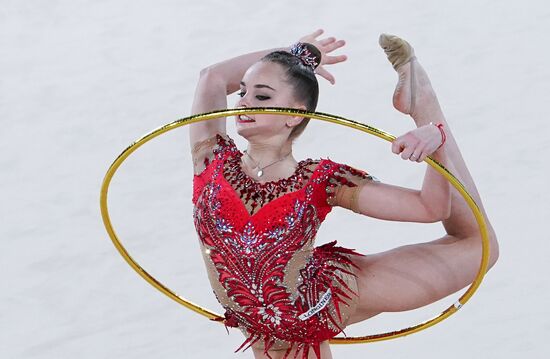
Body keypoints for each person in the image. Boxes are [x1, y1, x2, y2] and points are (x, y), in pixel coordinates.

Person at [189, 29, 499, 359]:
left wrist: (436, 147)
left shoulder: (320, 179)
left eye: (262, 96)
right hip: (272, 322)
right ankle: (422, 102)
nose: (244, 103)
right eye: (242, 93)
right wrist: (297, 54)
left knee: (481, 248)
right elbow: (211, 77)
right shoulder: (210, 157)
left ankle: (426, 106)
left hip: (315, 307)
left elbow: (429, 208)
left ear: (295, 113)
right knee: (481, 247)